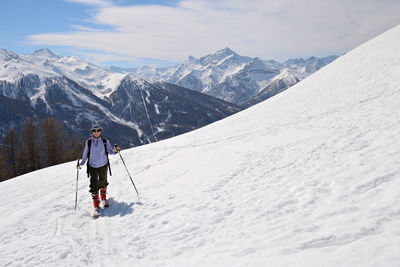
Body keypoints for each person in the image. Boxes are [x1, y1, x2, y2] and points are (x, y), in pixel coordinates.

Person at [77, 125, 120, 213]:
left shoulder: (105, 141)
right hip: (92, 165)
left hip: (104, 164)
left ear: (100, 131)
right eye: (94, 131)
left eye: (98, 130)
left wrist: (116, 151)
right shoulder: (89, 142)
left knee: (103, 181)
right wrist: (81, 163)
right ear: (91, 132)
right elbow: (85, 154)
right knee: (94, 183)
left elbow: (110, 151)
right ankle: (96, 203)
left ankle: (103, 199)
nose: (96, 132)